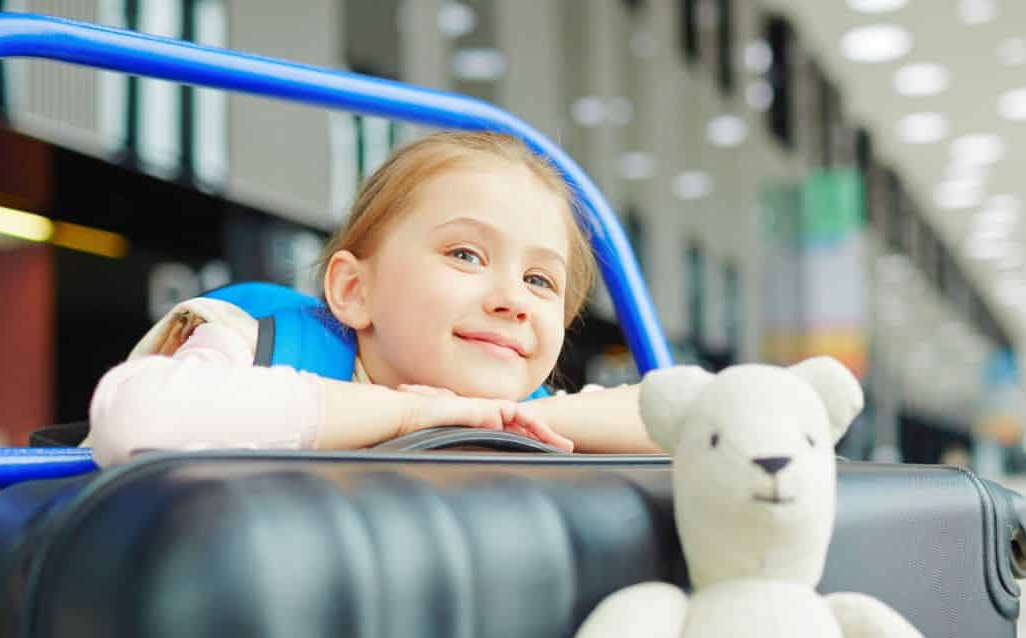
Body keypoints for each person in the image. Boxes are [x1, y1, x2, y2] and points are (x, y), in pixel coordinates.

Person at [87, 130, 660, 464]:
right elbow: (134, 416)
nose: (514, 300)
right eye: (466, 255)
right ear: (355, 291)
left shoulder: (528, 411)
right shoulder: (255, 344)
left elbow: (714, 417)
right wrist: (413, 414)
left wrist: (528, 416)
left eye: (541, 281)